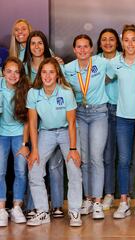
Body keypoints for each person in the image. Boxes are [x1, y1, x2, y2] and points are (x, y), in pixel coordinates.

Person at [64, 34, 116, 219]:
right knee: (83, 158)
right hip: (78, 114)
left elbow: (114, 75)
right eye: (79, 47)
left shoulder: (101, 63)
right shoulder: (67, 69)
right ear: (74, 49)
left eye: (86, 46)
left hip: (99, 113)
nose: (83, 50)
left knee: (96, 157)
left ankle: (97, 202)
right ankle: (87, 198)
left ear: (92, 49)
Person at [26, 58, 82, 227]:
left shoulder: (65, 91)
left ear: (57, 74)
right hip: (46, 132)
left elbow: (71, 122)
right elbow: (33, 124)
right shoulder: (33, 93)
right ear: (40, 74)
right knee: (34, 167)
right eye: (44, 72)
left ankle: (75, 211)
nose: (47, 76)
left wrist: (73, 149)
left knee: (73, 166)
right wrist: (34, 149)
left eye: (51, 72)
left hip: (66, 131)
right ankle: (42, 212)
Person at [23, 30, 65, 218]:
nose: (37, 47)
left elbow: (63, 90)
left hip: (52, 120)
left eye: (40, 43)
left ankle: (56, 205)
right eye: (33, 43)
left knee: (55, 165)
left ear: (45, 45)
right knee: (34, 161)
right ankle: (34, 206)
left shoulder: (55, 65)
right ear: (28, 47)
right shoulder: (24, 68)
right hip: (31, 119)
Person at [111, 24, 135, 219]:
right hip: (122, 119)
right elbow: (103, 79)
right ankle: (124, 202)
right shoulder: (115, 63)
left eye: (133, 39)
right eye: (126, 40)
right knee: (124, 160)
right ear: (122, 42)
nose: (130, 43)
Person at [0, 57, 30, 226]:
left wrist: (25, 144)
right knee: (0, 171)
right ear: (3, 72)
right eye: (9, 71)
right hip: (1, 134)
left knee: (20, 171)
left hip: (19, 134)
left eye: (16, 72)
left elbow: (27, 121)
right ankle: (2, 208)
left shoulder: (25, 90)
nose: (12, 75)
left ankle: (17, 206)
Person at [96, 28, 122, 210]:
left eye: (111, 39)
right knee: (107, 156)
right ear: (99, 43)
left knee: (126, 158)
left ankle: (127, 198)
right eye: (104, 39)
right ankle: (109, 194)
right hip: (103, 111)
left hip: (125, 111)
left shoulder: (125, 57)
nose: (107, 43)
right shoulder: (94, 61)